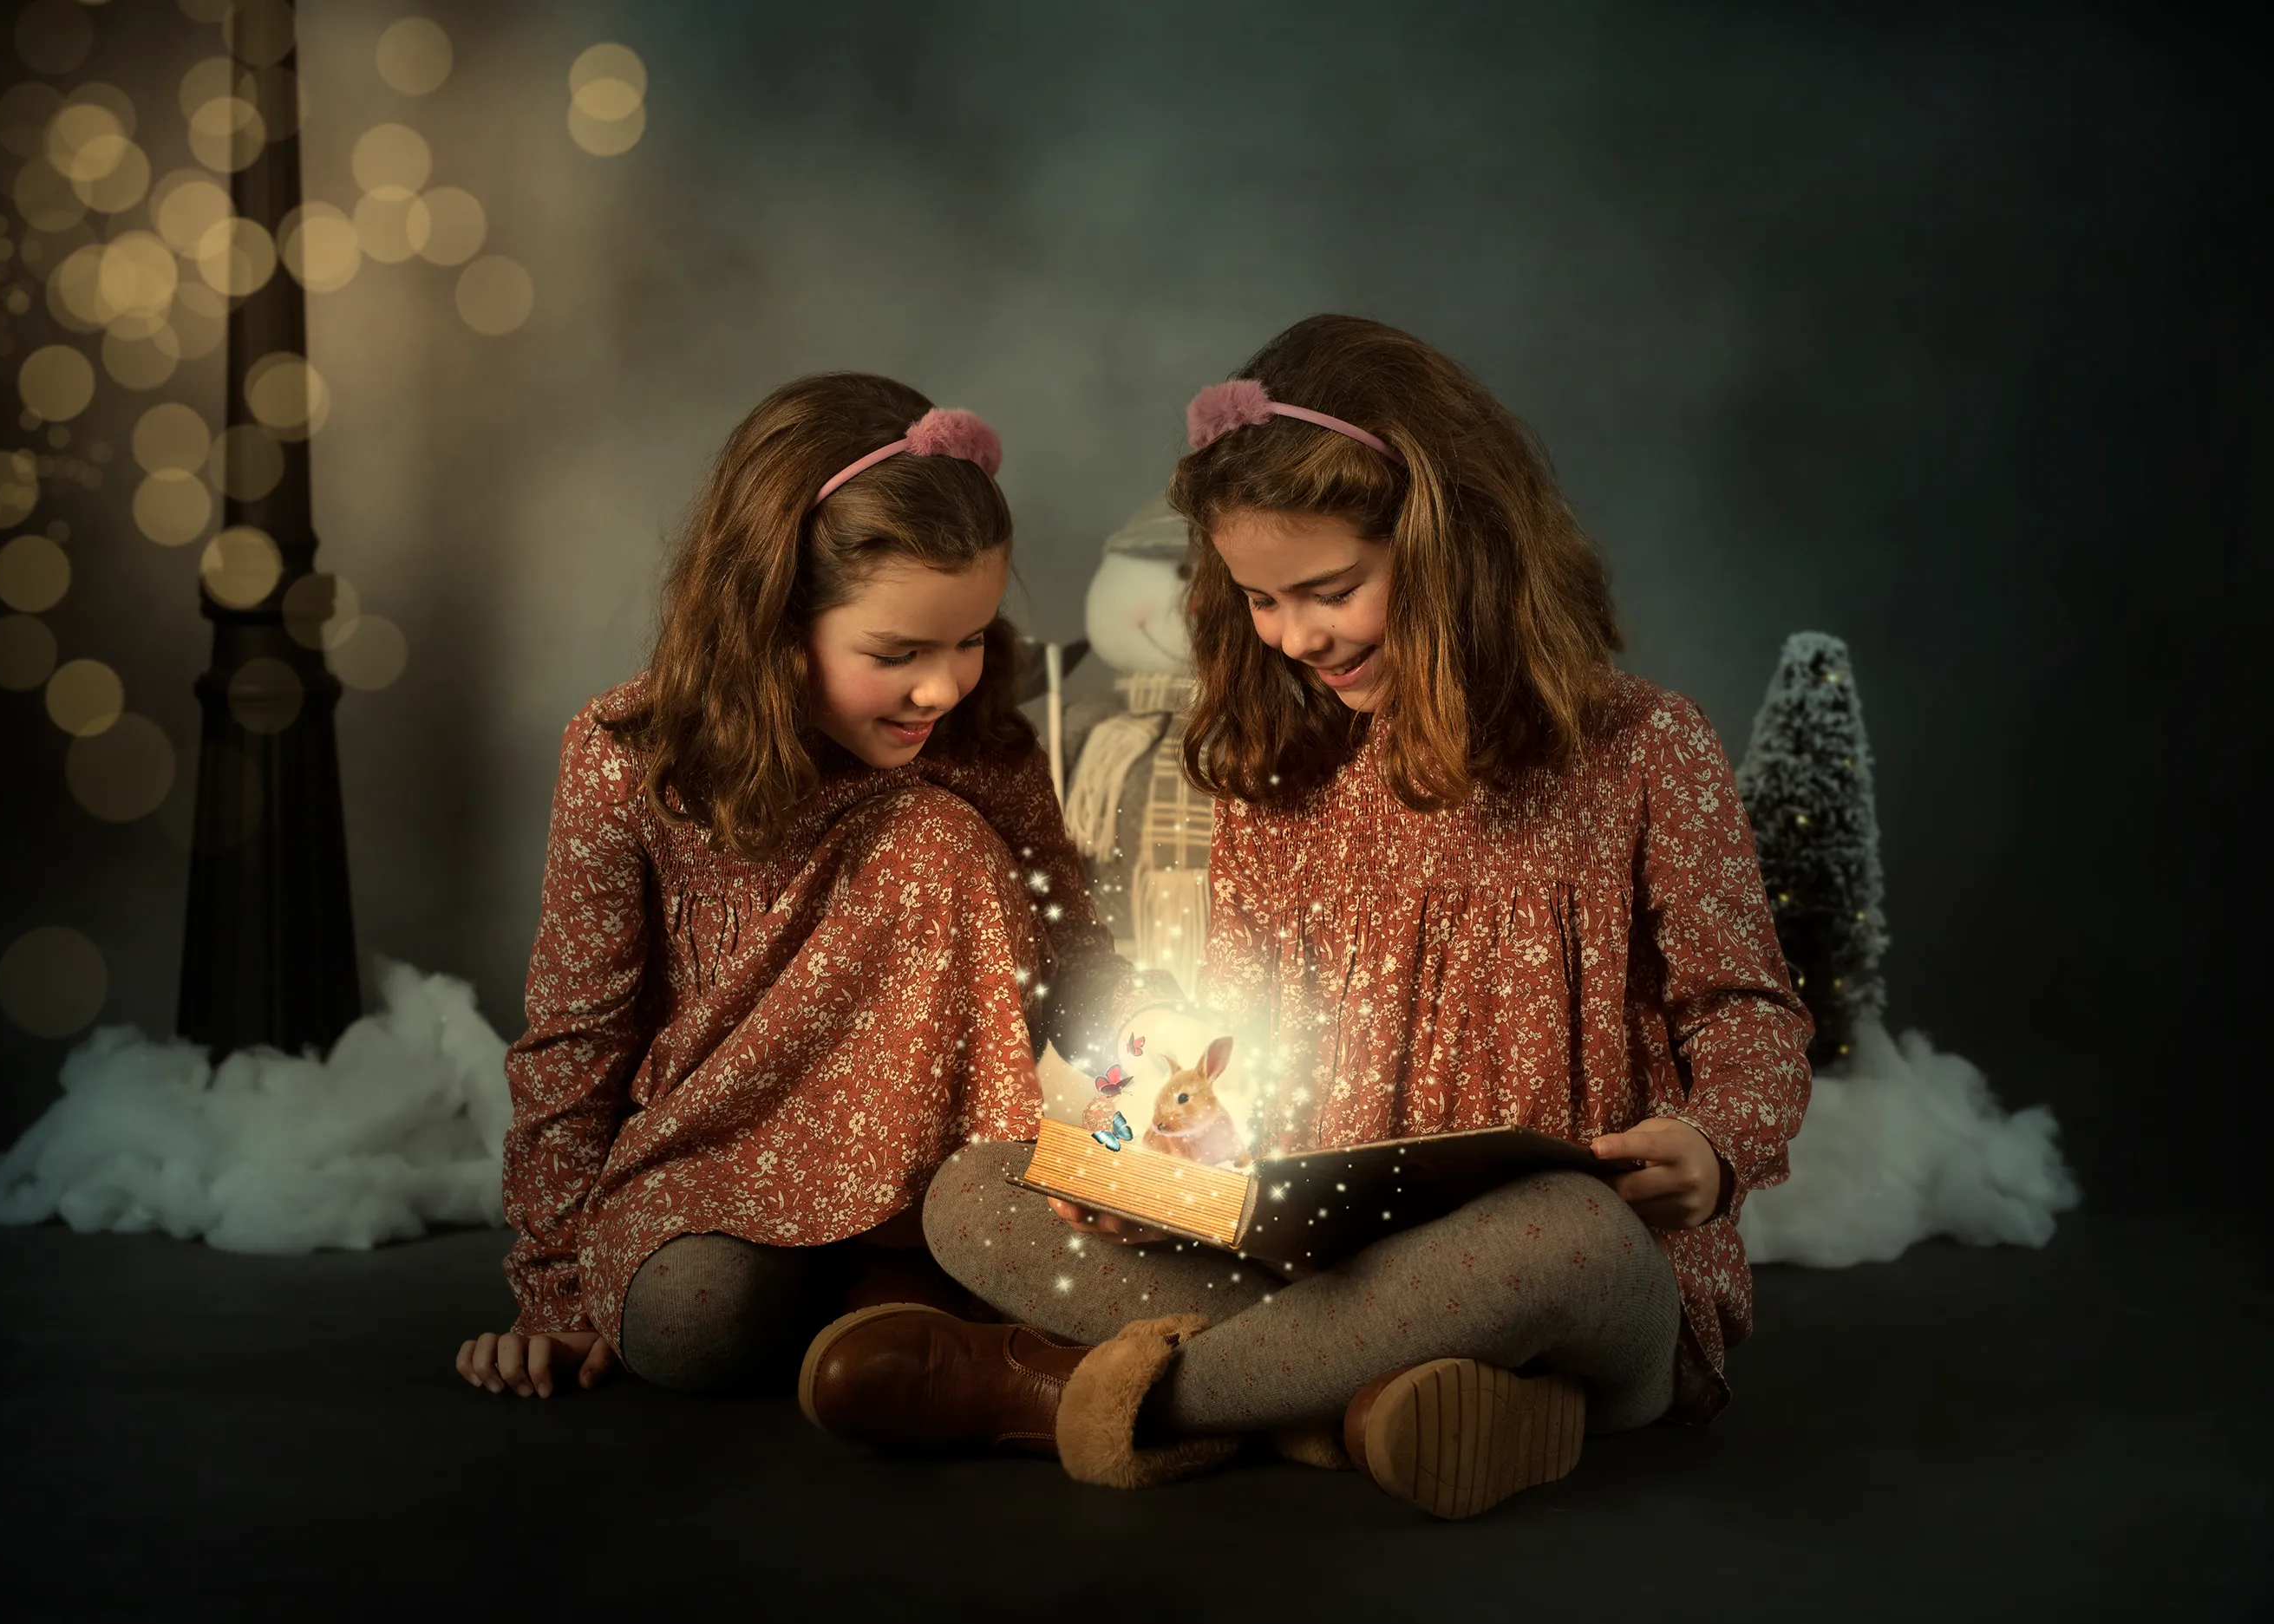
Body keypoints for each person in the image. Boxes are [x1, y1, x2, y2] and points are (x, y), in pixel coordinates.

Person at [800, 316, 1813, 1518]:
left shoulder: (1647, 750)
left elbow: (1747, 1014)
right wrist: (1144, 1148)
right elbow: (1227, 1067)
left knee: (1563, 1233)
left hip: (1570, 1282)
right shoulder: (1281, 774)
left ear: (1452, 549)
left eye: (1330, 590)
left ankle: (1071, 1397)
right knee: (977, 1188)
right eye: (1259, 601)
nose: (1295, 636)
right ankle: (1370, 1401)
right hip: (1313, 1266)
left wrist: (1714, 1146)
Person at [455, 374, 1177, 1401]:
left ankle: (901, 1284)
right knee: (690, 1326)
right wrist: (552, 1292)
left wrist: (1153, 1035)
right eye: (897, 653)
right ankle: (858, 1306)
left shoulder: (976, 750)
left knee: (930, 830)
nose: (944, 686)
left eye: (970, 640)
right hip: (721, 1160)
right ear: (774, 622)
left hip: (947, 1178)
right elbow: (577, 1034)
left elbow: (1074, 961)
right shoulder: (630, 759)